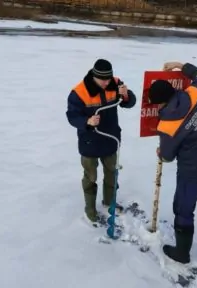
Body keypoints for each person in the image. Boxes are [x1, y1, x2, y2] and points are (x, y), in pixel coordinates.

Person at [148, 61, 197, 264]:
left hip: (192, 171)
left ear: (160, 103)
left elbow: (166, 156)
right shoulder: (195, 92)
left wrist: (161, 151)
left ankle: (182, 254)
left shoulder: (167, 125)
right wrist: (180, 65)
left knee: (183, 209)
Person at [66, 59, 137, 223]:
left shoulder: (115, 83)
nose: (106, 83)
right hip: (89, 141)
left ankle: (109, 202)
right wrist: (87, 122)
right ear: (94, 76)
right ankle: (90, 209)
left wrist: (126, 96)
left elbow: (129, 102)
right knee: (91, 177)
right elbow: (72, 116)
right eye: (102, 80)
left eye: (108, 79)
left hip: (110, 139)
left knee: (112, 173)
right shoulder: (79, 92)